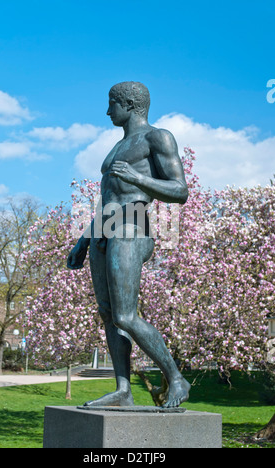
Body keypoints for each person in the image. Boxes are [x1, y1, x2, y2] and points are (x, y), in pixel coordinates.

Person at [67, 81, 190, 407]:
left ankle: (176, 378)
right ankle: (123, 390)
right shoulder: (118, 147)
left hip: (133, 227)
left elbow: (180, 190)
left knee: (125, 315)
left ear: (130, 104)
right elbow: (109, 199)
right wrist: (84, 239)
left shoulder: (157, 137)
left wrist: (137, 179)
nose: (108, 111)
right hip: (103, 232)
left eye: (112, 104)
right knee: (109, 315)